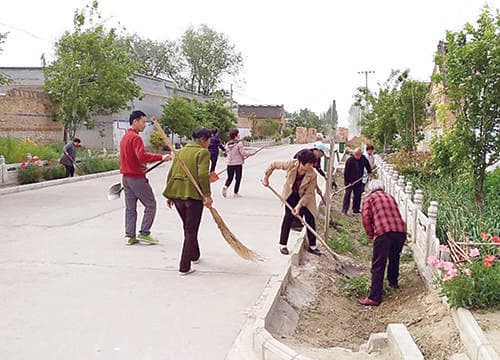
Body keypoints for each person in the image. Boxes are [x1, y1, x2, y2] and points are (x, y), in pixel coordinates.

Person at [163, 126, 213, 276]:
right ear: (203, 140)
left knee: (189, 227)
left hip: (178, 195)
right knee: (190, 230)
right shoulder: (203, 152)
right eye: (209, 140)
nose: (209, 143)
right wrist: (207, 195)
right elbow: (203, 175)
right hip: (193, 197)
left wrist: (170, 194)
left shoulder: (181, 151)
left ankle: (194, 255)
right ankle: (184, 266)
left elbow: (171, 173)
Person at [120, 110, 171, 246]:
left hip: (126, 178)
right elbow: (142, 156)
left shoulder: (125, 136)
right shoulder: (135, 138)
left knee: (130, 207)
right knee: (151, 204)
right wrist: (161, 157)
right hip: (136, 177)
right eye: (143, 122)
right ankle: (144, 233)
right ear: (135, 121)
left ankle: (129, 235)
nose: (144, 125)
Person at [262, 150, 321, 256]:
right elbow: (273, 164)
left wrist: (299, 206)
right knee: (288, 217)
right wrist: (266, 177)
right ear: (302, 162)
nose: (312, 165)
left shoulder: (312, 174)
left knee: (310, 217)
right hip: (291, 193)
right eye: (310, 163)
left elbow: (308, 194)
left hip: (305, 196)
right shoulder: (291, 164)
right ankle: (283, 244)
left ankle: (312, 246)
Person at [359, 180, 407, 306]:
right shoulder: (390, 196)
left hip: (384, 232)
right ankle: (393, 282)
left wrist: (370, 234)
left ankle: (375, 297)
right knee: (394, 257)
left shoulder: (369, 198)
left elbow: (366, 218)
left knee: (378, 264)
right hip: (401, 231)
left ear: (369, 189)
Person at [342, 147, 372, 215]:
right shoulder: (350, 160)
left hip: (359, 180)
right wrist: (348, 182)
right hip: (350, 181)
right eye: (356, 155)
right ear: (354, 154)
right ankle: (344, 210)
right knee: (347, 195)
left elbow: (367, 164)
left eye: (359, 155)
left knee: (358, 195)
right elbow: (346, 172)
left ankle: (356, 209)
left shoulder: (363, 158)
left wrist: (369, 171)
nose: (358, 156)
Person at [223, 128, 251, 198]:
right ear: (236, 135)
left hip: (229, 164)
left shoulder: (227, 143)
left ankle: (225, 186)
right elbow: (243, 153)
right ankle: (235, 193)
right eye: (238, 133)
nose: (239, 135)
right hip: (238, 163)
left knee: (230, 177)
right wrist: (250, 154)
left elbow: (226, 152)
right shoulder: (239, 143)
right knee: (238, 178)